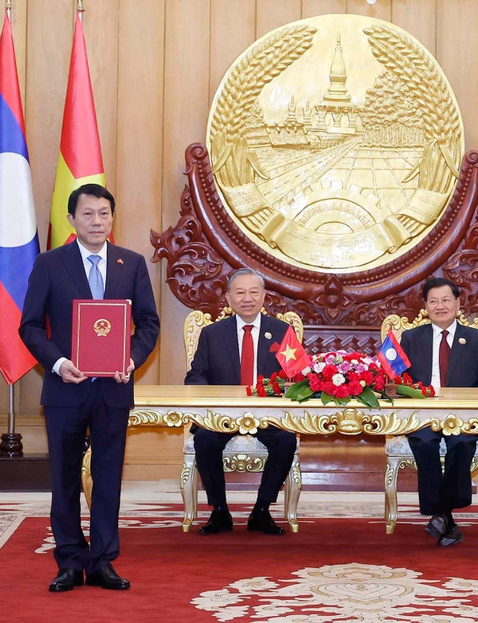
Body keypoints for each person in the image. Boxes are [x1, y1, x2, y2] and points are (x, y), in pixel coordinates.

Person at [19, 184, 159, 593]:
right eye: (88, 214)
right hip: (65, 389)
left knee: (108, 476)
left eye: (104, 214)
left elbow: (148, 324)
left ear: (113, 219)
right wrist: (60, 364)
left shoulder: (130, 263)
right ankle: (68, 560)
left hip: (113, 390)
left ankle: (102, 561)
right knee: (63, 478)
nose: (97, 221)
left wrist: (131, 359)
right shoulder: (49, 264)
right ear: (71, 219)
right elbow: (29, 326)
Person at [185, 268, 297, 536]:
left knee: (286, 441)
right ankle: (220, 511)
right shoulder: (212, 333)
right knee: (204, 439)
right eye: (240, 292)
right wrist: (212, 399)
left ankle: (261, 511)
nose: (247, 298)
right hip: (222, 413)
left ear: (264, 296)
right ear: (228, 298)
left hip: (268, 414)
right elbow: (196, 375)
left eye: (254, 292)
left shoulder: (281, 331)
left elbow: (296, 377)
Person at [401, 277, 478, 547]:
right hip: (423, 415)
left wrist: (470, 404)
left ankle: (441, 512)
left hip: (464, 416)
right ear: (425, 306)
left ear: (458, 303)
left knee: (460, 442)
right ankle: (447, 516)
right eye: (433, 301)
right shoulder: (411, 339)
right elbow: (397, 380)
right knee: (424, 442)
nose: (440, 306)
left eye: (446, 300)